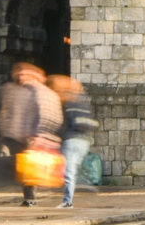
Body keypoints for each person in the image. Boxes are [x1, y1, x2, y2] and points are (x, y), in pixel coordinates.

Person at [0, 63, 62, 207]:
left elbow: (48, 115)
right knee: (4, 159)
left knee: (29, 168)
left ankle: (30, 198)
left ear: (34, 75)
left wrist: (40, 135)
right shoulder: (8, 89)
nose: (20, 76)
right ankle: (20, 182)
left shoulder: (43, 93)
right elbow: (3, 111)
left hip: (31, 136)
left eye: (24, 74)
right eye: (18, 73)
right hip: (11, 134)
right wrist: (3, 126)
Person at [49, 75, 97, 209]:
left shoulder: (70, 103)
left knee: (68, 171)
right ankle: (82, 184)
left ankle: (67, 201)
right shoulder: (85, 102)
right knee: (72, 169)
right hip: (83, 140)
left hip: (71, 140)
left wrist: (58, 135)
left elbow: (65, 123)